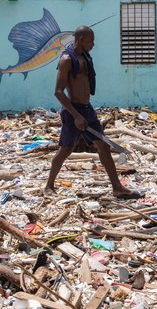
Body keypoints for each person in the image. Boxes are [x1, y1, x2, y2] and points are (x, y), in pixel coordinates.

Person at [44, 26, 142, 199]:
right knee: (65, 150)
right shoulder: (66, 59)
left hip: (87, 109)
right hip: (72, 110)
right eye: (90, 41)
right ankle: (48, 186)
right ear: (80, 38)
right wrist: (76, 116)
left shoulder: (85, 56)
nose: (93, 44)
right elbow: (58, 92)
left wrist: (84, 113)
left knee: (103, 146)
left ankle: (117, 188)